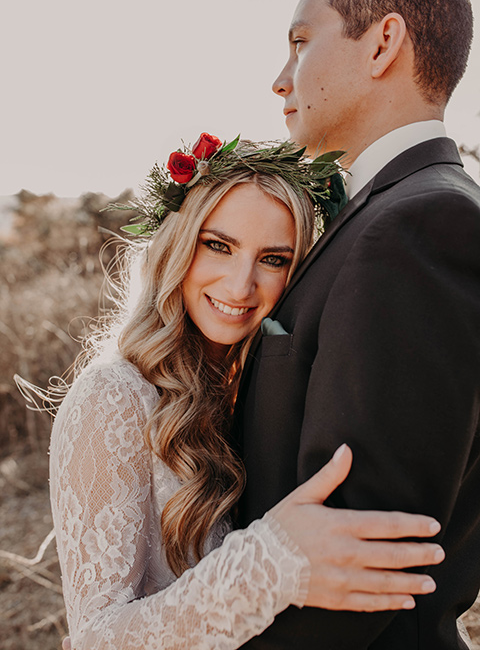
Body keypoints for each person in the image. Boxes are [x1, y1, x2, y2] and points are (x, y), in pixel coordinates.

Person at [34, 136, 446, 650]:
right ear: (179, 242)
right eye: (219, 245)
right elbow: (97, 638)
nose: (239, 285)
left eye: (273, 259)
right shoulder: (114, 397)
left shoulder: (264, 388)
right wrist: (268, 565)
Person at [235, 0, 480, 650]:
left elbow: (361, 564)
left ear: (383, 43)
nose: (281, 80)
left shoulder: (420, 226)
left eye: (301, 44)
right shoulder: (384, 212)